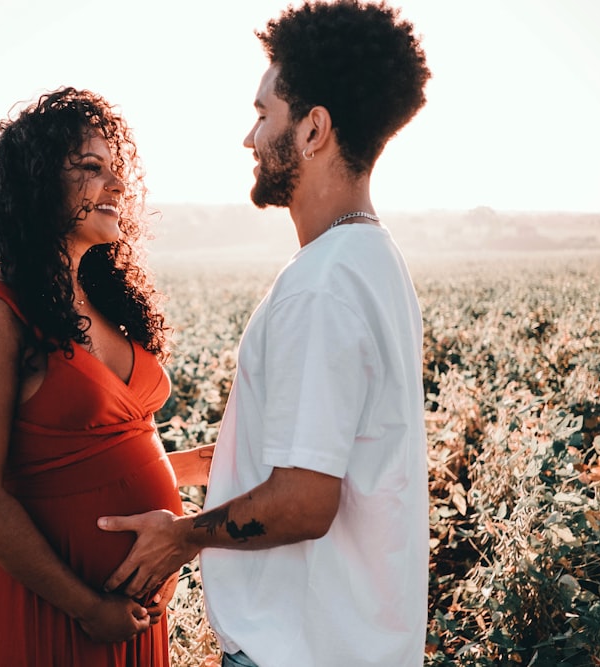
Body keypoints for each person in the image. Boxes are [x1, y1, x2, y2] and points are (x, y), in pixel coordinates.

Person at [97, 2, 432, 665]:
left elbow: (304, 499)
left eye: (262, 114)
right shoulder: (369, 259)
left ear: (314, 130)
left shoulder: (323, 285)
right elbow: (306, 441)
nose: (249, 138)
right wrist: (155, 469)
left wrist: (181, 537)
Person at [0, 87, 212, 666]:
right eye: (92, 169)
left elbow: (88, 453)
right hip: (43, 613)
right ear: (38, 185)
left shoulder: (109, 304)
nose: (117, 186)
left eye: (117, 172)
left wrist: (188, 469)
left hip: (129, 616)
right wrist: (86, 607)